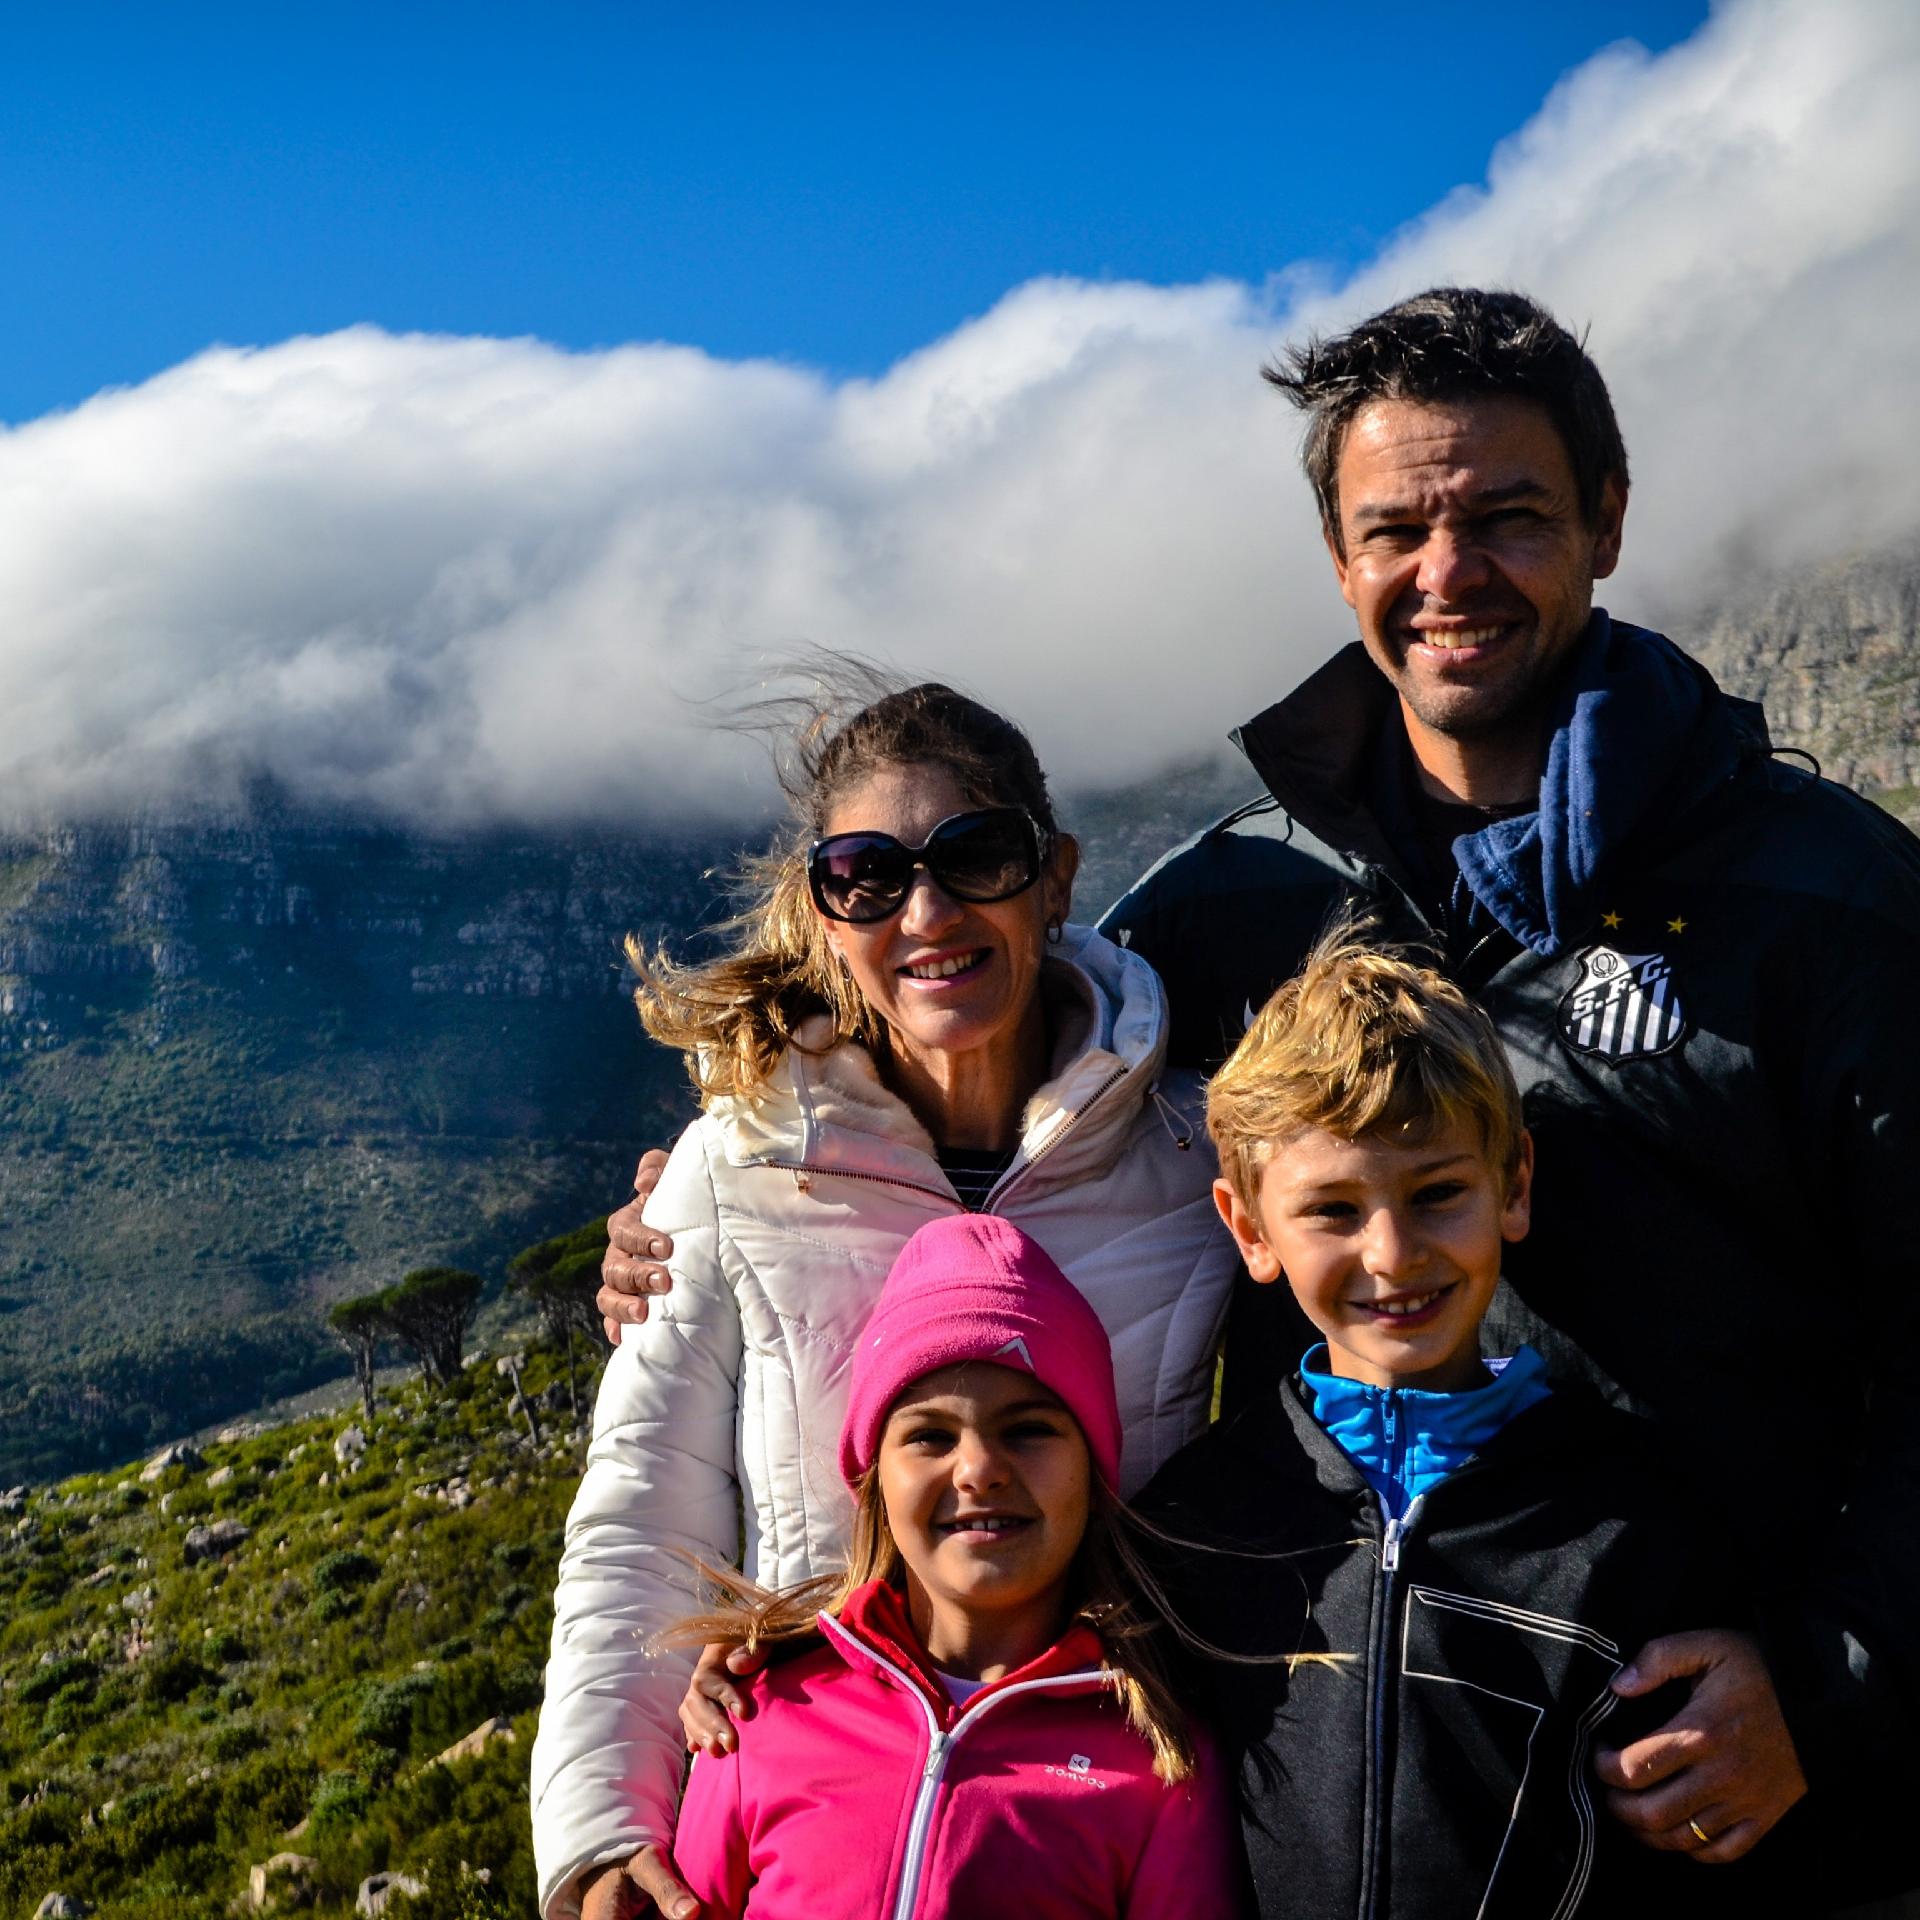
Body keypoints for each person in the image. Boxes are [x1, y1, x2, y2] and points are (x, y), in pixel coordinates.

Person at [1093, 287, 1920, 1912]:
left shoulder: (1831, 906)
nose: (1448, 574)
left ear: (1608, 524)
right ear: (1340, 561)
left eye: (1508, 517)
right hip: (1341, 1812)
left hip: (1744, 1828)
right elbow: (989, 1148)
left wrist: (1832, 1682)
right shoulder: (1226, 911)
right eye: (1395, 528)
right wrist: (691, 1218)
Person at [532, 682, 1238, 1920]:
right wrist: (600, 1841)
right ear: (822, 909)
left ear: (1058, 876)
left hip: (1094, 1818)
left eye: (978, 856)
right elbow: (643, 1520)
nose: (927, 911)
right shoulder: (733, 1167)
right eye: (867, 875)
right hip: (794, 1819)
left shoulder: (1199, 1165)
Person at [1139, 928, 1779, 1916]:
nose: (1392, 1254)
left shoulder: (1627, 1528)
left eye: (1437, 1194)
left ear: (1513, 1186)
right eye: (1335, 1211)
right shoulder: (1190, 1525)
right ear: (1250, 1228)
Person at [663, 1212, 1251, 1918]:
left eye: (1028, 1429)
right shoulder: (759, 1713)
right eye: (931, 1436)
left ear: (1092, 1471)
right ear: (874, 1478)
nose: (978, 1470)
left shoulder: (1160, 1761)